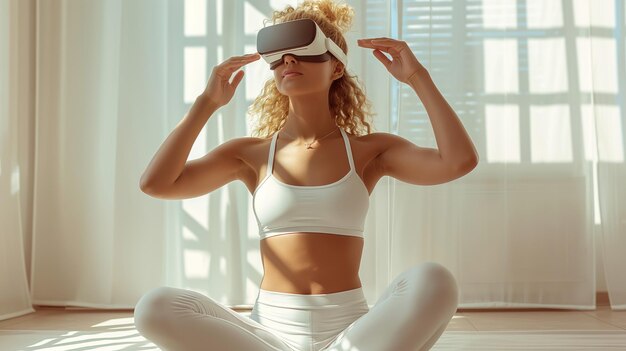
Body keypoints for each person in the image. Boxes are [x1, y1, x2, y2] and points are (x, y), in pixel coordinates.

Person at [134, 0, 478, 350]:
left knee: (435, 280)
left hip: (352, 332)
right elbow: (157, 183)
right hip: (267, 334)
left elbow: (458, 161)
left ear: (337, 68)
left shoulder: (369, 152)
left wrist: (417, 77)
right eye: (280, 56)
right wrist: (206, 102)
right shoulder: (249, 155)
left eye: (304, 52)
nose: (289, 61)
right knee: (154, 307)